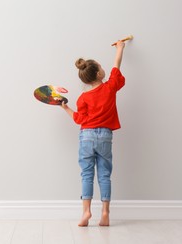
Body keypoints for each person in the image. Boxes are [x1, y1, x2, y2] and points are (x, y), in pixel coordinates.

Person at [61, 40, 126, 227]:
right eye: (101, 67)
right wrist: (120, 48)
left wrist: (65, 108)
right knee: (105, 175)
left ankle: (86, 212)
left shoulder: (83, 98)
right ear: (98, 73)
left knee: (87, 175)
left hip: (86, 136)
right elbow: (116, 67)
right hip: (105, 136)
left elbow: (79, 119)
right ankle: (105, 213)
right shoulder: (109, 87)